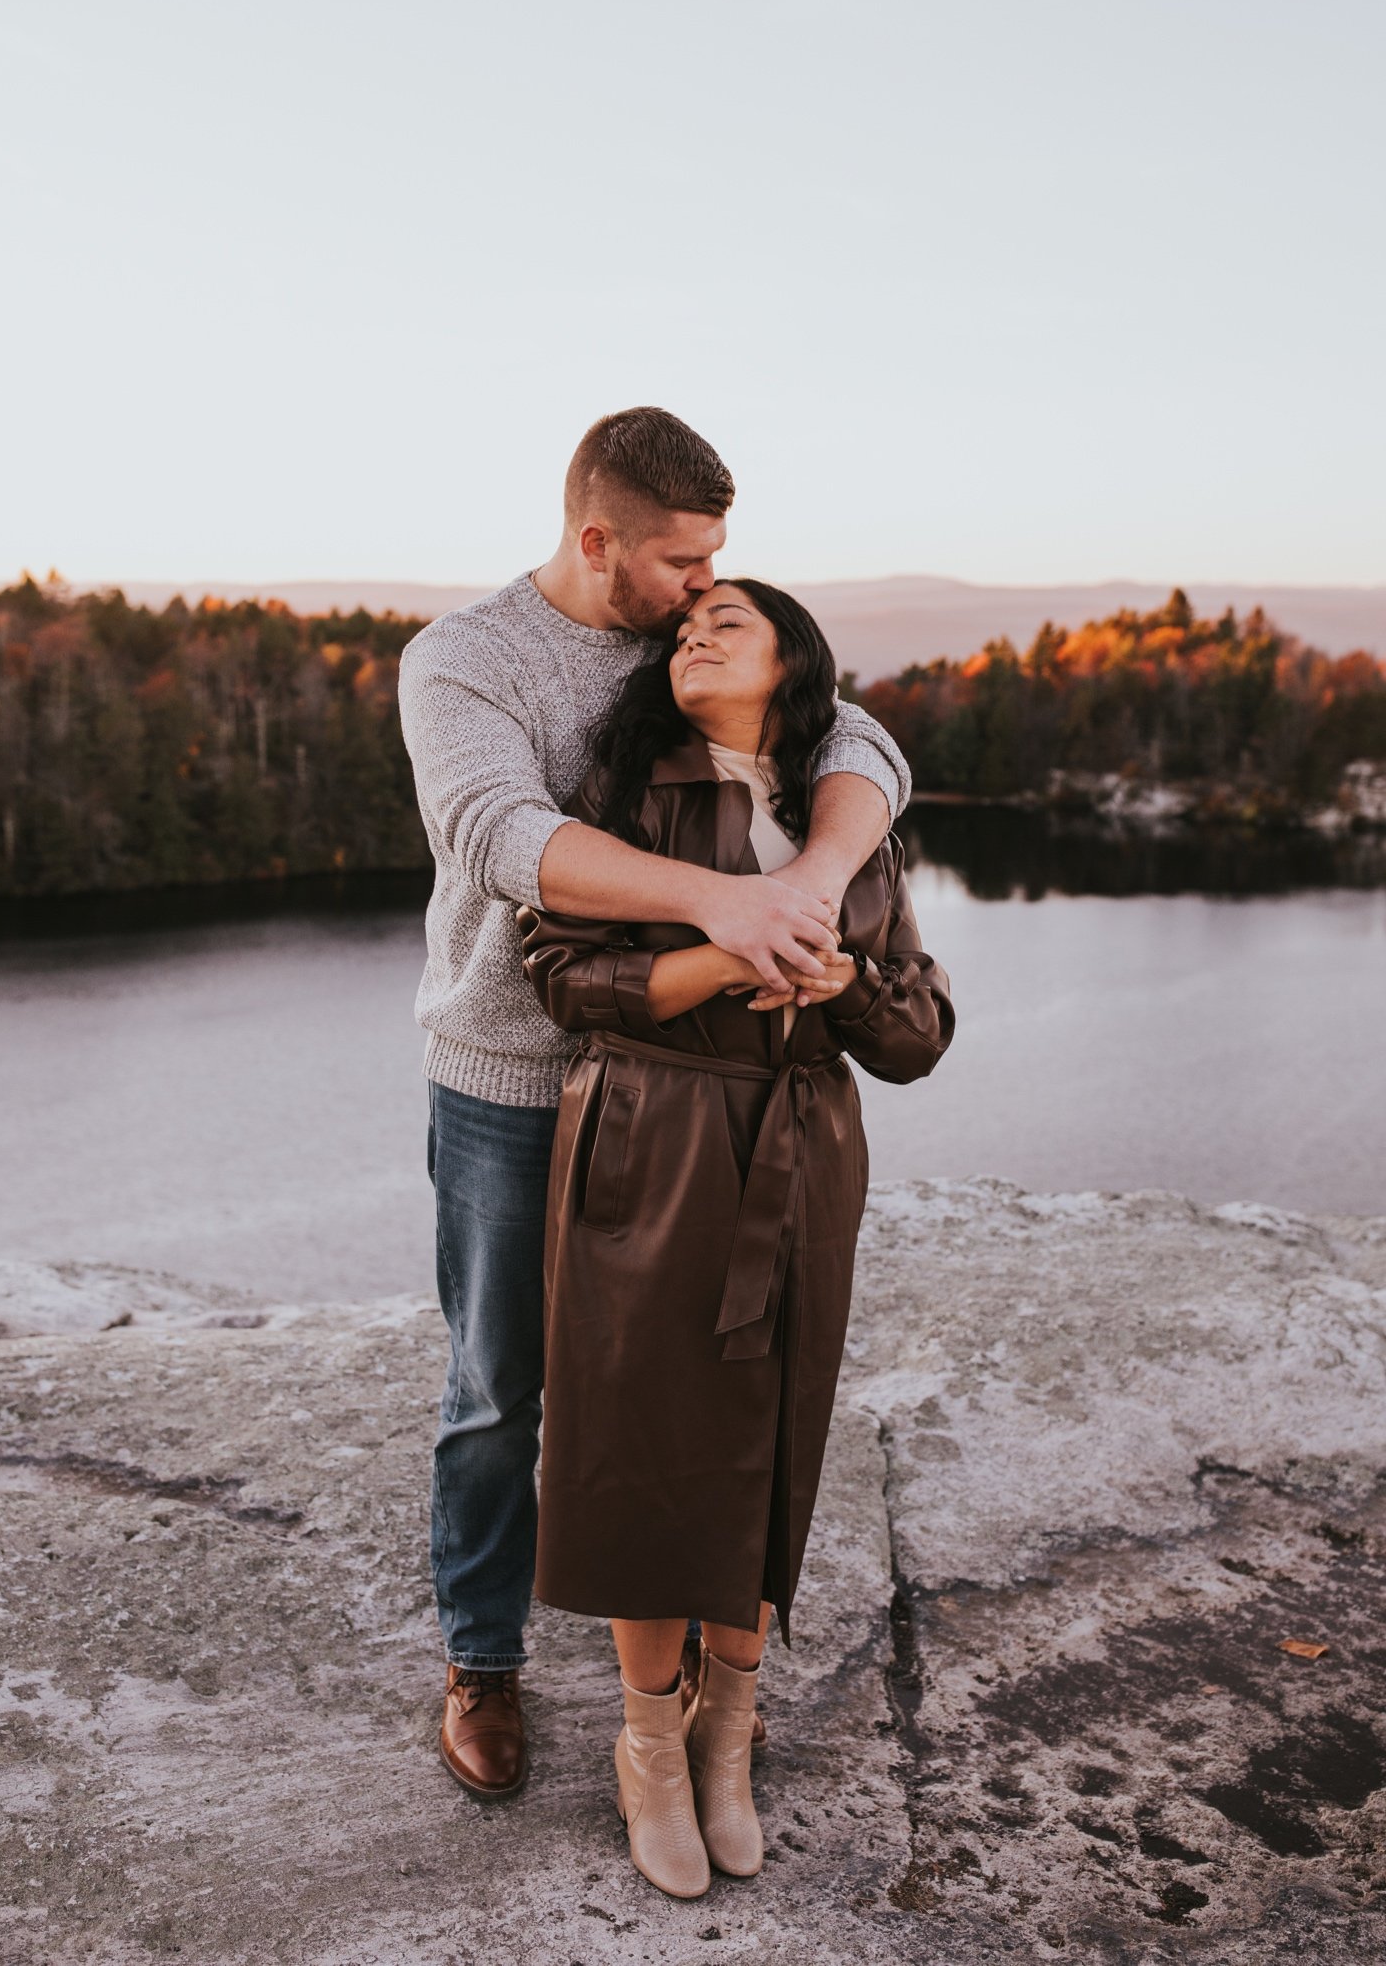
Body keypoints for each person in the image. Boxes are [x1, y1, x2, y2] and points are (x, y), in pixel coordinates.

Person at [396, 408, 913, 1799]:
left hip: (679, 1099)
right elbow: (502, 837)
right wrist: (725, 904)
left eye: (719, 561)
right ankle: (483, 1659)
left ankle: (681, 1681)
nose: (707, 585)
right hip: (517, 1078)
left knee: (681, 1392)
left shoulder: (693, 636)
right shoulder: (467, 661)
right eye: (685, 560)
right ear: (597, 540)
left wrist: (808, 891)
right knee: (502, 1390)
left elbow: (858, 736)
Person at [517, 578, 954, 1896]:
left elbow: (921, 1032)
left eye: (730, 623)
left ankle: (729, 1737)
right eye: (684, 626)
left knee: (772, 1446)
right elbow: (558, 976)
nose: (694, 633)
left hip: (801, 1147)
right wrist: (729, 948)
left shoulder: (846, 818)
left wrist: (847, 984)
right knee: (646, 1444)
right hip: (649, 1142)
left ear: (794, 663)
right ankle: (647, 1746)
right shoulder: (622, 798)